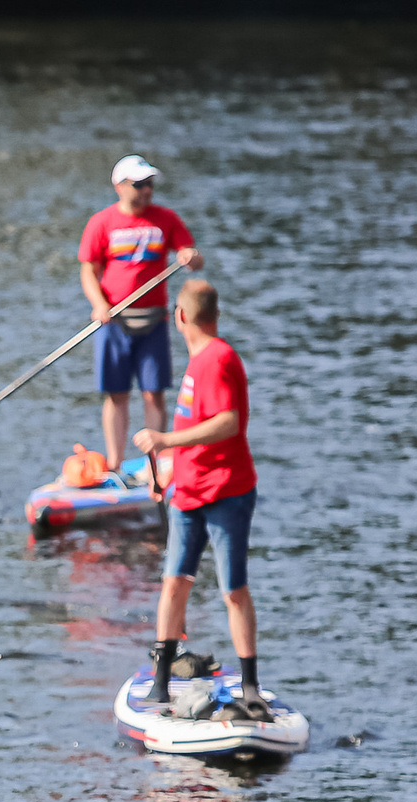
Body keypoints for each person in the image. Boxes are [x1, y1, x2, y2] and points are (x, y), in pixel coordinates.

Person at [134, 279, 267, 720]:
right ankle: (159, 682)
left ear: (181, 316)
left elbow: (228, 422)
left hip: (227, 493)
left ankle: (250, 687)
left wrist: (164, 437)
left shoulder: (219, 358)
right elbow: (196, 425)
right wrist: (167, 472)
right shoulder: (196, 362)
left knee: (233, 590)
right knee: (174, 583)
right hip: (188, 493)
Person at [78, 155, 201, 476]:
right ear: (119, 187)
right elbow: (89, 270)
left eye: (150, 184)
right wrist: (99, 303)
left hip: (153, 321)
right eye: (140, 185)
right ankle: (115, 463)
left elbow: (191, 256)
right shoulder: (101, 223)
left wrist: (190, 256)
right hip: (115, 321)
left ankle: (155, 464)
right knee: (117, 395)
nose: (147, 191)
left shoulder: (165, 219)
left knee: (153, 393)